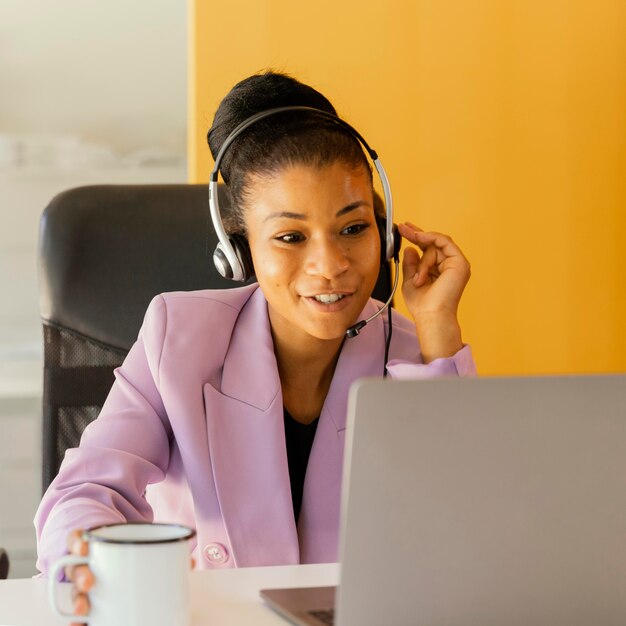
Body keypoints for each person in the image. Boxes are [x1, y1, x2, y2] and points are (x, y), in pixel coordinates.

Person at [34, 70, 475, 619]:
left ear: (384, 235)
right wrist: (83, 559)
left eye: (353, 228)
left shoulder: (414, 354)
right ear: (240, 251)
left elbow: (464, 531)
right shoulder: (178, 334)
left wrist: (439, 332)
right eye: (291, 237)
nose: (330, 265)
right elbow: (91, 486)